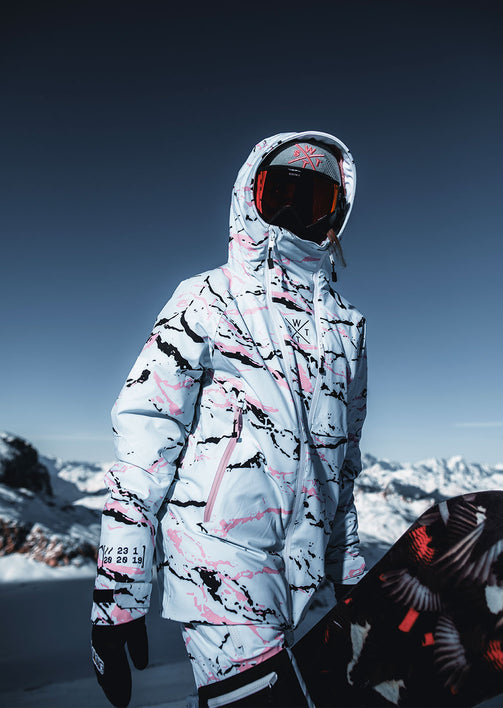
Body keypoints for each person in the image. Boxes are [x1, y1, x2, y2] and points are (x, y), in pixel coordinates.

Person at [91, 130, 367, 707]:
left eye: (312, 201)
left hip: (309, 570)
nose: (291, 215)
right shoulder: (206, 297)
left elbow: (344, 465)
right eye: (279, 195)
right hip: (216, 560)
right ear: (250, 195)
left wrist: (350, 576)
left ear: (335, 214)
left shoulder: (348, 329)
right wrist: (119, 588)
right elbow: (146, 437)